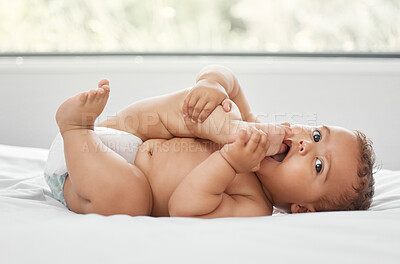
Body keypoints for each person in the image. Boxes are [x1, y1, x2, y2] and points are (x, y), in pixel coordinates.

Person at [45, 65, 375, 217]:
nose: (306, 145)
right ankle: (214, 114)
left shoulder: (254, 206)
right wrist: (214, 83)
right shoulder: (253, 128)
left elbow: (183, 207)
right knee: (215, 113)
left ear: (301, 208)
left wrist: (230, 162)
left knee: (131, 202)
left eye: (318, 165)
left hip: (89, 172)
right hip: (125, 132)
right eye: (316, 135)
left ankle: (74, 127)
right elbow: (231, 78)